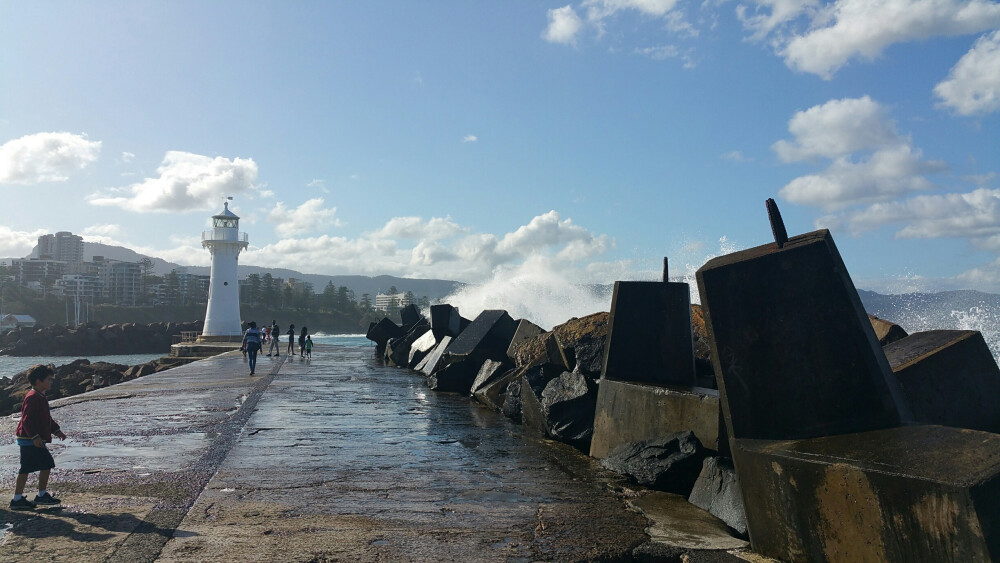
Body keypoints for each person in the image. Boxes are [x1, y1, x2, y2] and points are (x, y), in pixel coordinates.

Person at [11, 365, 67, 510]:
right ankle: (21, 498)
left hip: (32, 439)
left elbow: (46, 418)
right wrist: (35, 437)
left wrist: (56, 430)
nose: (51, 382)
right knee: (31, 467)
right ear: (38, 381)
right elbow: (26, 420)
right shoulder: (32, 397)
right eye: (49, 379)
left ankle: (36, 495)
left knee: (42, 464)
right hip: (29, 439)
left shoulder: (40, 396)